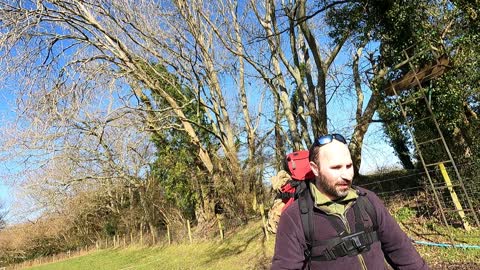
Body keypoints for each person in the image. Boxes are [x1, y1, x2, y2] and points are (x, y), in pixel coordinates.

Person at [271, 134, 428, 270]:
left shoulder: (368, 200)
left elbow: (401, 250)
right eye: (336, 167)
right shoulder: (295, 218)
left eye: (349, 166)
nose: (346, 175)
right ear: (315, 169)